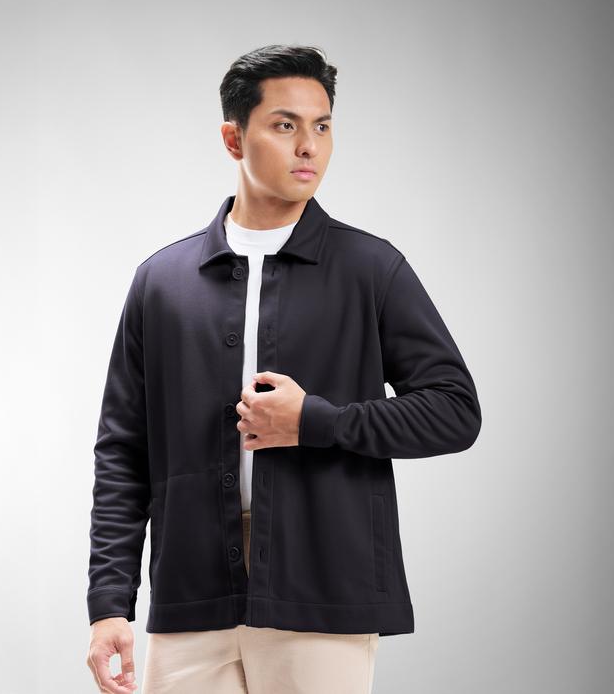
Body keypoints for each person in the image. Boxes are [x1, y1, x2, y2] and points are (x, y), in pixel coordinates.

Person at [85, 44, 481, 694]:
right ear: (233, 138)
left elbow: (455, 410)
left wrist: (317, 422)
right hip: (190, 594)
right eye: (285, 125)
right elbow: (123, 452)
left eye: (321, 125)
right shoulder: (162, 282)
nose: (308, 146)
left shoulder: (370, 269)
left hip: (323, 590)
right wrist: (109, 604)